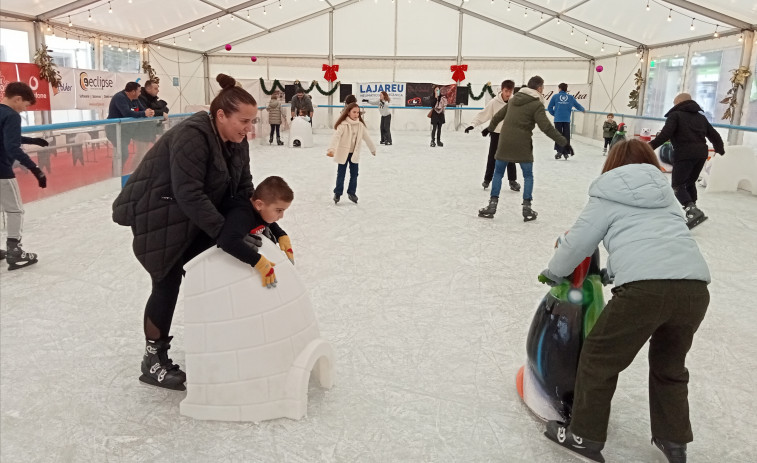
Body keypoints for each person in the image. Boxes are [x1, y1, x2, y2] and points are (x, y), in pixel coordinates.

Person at [540, 139, 711, 463]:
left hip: (645, 291)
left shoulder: (607, 192)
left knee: (599, 357)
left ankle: (583, 436)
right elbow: (656, 242)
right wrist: (613, 272)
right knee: (670, 367)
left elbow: (577, 243)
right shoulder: (666, 196)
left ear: (613, 163)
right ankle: (674, 441)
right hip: (694, 289)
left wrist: (554, 272)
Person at [112, 73, 256, 391]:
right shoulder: (193, 135)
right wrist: (227, 234)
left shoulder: (237, 141)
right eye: (244, 121)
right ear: (221, 115)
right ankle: (153, 359)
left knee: (217, 271)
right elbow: (188, 193)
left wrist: (259, 224)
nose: (249, 129)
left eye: (251, 121)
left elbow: (243, 188)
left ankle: (221, 343)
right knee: (167, 282)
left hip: (194, 215)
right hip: (160, 215)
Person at [478, 76, 571, 221]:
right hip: (523, 144)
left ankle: (492, 206)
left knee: (498, 173)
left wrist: (489, 128)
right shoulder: (536, 104)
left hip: (505, 142)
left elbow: (497, 117)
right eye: (543, 87)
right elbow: (545, 127)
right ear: (539, 88)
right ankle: (527, 209)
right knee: (528, 175)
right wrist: (564, 142)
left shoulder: (513, 100)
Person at [649, 93, 725, 229]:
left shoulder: (675, 115)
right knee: (690, 182)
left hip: (684, 154)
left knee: (677, 185)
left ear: (678, 103)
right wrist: (720, 150)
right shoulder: (701, 117)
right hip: (701, 154)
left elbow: (665, 135)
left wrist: (648, 147)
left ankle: (692, 211)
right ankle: (693, 210)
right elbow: (714, 135)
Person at [0, 82, 48, 269]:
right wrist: (35, 169)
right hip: (2, 172)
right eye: (25, 105)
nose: (24, 110)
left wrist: (32, 140)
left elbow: (5, 137)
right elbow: (11, 147)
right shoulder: (11, 115)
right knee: (15, 210)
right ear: (17, 99)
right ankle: (15, 251)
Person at [216, 176, 295, 289]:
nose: (281, 216)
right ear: (259, 205)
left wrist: (281, 234)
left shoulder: (260, 210)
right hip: (218, 265)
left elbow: (266, 220)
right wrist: (259, 262)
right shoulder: (241, 215)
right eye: (279, 210)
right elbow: (227, 241)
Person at [465, 80, 520, 191]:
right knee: (493, 157)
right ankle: (487, 179)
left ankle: (512, 181)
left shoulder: (515, 102)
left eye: (510, 91)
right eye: (506, 91)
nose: (508, 94)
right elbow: (484, 114)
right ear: (502, 89)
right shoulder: (494, 102)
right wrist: (473, 124)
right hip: (496, 133)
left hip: (510, 134)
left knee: (510, 158)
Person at [327, 102, 376, 205]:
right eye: (354, 112)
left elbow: (367, 138)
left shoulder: (360, 125)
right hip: (343, 153)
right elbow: (336, 137)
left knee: (354, 174)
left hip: (354, 154)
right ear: (348, 112)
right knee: (341, 174)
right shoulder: (343, 125)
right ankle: (338, 193)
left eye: (358, 112)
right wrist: (331, 149)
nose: (356, 114)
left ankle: (351, 193)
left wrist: (372, 149)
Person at [106, 82, 155, 168]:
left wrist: (149, 112)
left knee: (123, 153)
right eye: (139, 91)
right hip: (114, 129)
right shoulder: (119, 97)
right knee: (123, 153)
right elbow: (127, 113)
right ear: (133, 92)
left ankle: (118, 172)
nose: (140, 93)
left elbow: (142, 109)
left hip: (125, 130)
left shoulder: (135, 99)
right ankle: (116, 174)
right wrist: (144, 113)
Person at [547, 83, 585, 159]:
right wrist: (583, 109)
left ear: (560, 88)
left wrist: (555, 114)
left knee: (558, 135)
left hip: (558, 120)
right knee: (566, 136)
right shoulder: (570, 97)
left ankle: (559, 151)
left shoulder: (555, 96)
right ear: (566, 89)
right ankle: (565, 152)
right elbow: (577, 105)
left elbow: (549, 107)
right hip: (566, 119)